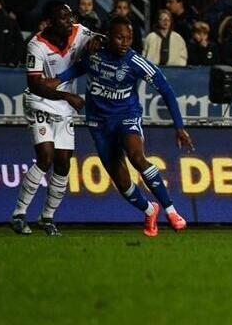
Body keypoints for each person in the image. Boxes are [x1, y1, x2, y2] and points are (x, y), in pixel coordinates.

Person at [50, 16, 193, 236]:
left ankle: (171, 211)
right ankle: (149, 209)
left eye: (129, 38)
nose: (125, 42)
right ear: (108, 37)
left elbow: (166, 90)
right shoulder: (94, 55)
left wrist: (179, 127)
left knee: (137, 156)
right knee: (122, 181)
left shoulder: (135, 62)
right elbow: (77, 69)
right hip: (98, 122)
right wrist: (57, 80)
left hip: (126, 116)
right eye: (119, 37)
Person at [9, 2, 96, 236]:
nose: (70, 21)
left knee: (63, 163)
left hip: (64, 106)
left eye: (70, 16)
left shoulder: (80, 33)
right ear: (49, 22)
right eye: (63, 18)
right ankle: (19, 214)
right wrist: (67, 94)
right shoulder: (36, 46)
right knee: (45, 157)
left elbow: (101, 42)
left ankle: (47, 218)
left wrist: (99, 43)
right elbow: (34, 85)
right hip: (40, 101)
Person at [0, 0, 23, 66]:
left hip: (7, 66)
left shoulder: (11, 23)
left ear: (1, 5)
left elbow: (19, 43)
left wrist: (14, 61)